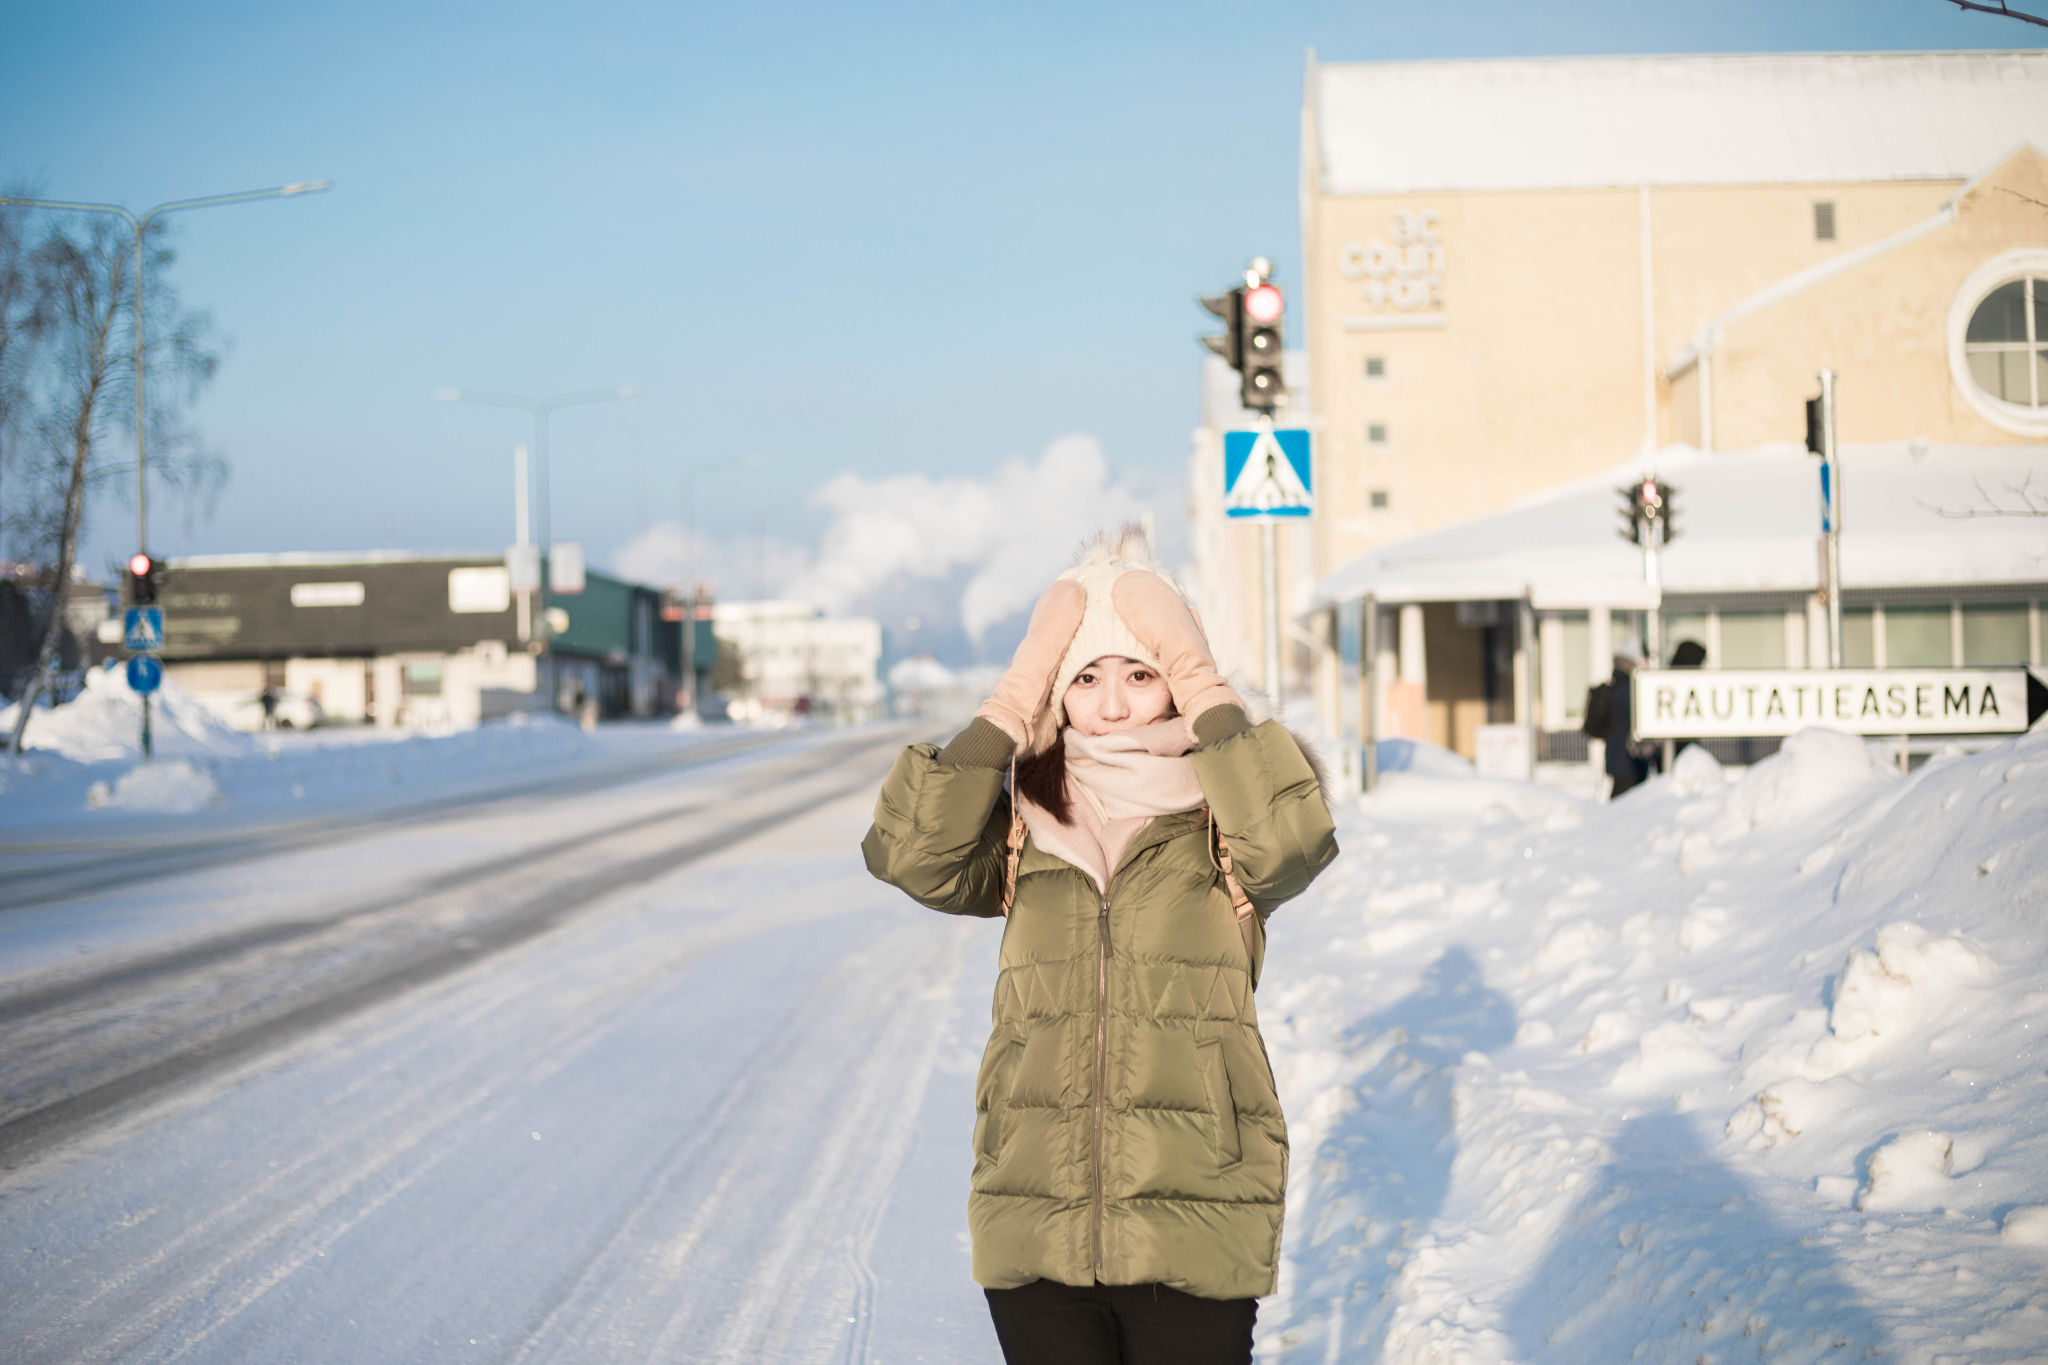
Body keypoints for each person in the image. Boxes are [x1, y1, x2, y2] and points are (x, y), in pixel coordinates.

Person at [863, 529, 1339, 1365]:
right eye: (1085, 676)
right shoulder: (1021, 822)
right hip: (1036, 1206)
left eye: (1140, 674)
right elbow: (911, 854)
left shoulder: (1227, 805)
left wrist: (1200, 675)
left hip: (1197, 1203)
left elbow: (1295, 845)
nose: (1113, 704)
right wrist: (1014, 695)